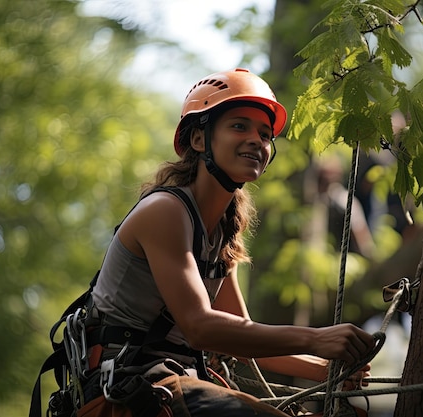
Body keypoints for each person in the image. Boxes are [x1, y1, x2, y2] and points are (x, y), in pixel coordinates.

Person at [83, 68, 375, 417]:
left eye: (265, 135)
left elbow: (243, 339)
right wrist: (316, 338)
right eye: (240, 126)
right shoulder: (164, 211)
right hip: (126, 392)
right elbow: (200, 327)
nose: (257, 140)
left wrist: (326, 370)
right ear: (199, 140)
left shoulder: (222, 233)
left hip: (170, 386)